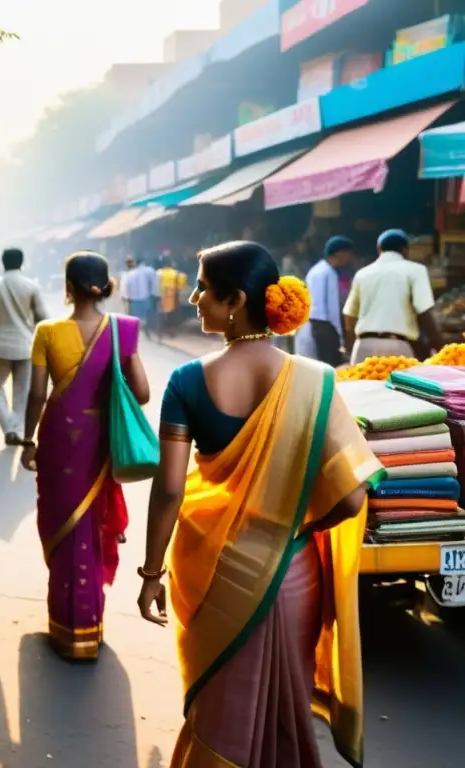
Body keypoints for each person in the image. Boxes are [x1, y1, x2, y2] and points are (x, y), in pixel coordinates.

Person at [140, 241, 380, 767]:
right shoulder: (315, 381)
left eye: (204, 287)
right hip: (294, 576)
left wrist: (151, 572)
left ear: (236, 300)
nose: (195, 297)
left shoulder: (185, 383)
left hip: (211, 569)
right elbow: (353, 495)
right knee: (281, 712)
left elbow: (171, 488)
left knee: (221, 714)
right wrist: (293, 527)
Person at [22, 251, 149, 660]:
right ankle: (90, 625)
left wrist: (27, 441)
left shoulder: (47, 332)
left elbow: (37, 394)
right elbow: (142, 394)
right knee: (90, 527)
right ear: (106, 286)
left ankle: (65, 627)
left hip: (59, 441)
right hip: (100, 445)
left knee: (61, 526)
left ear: (69, 287)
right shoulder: (123, 330)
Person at [343, 229, 443, 364]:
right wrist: (440, 349)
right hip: (398, 347)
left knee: (360, 384)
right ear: (405, 250)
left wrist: (351, 348)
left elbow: (349, 316)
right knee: (397, 386)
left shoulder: (362, 274)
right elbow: (424, 312)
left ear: (379, 249)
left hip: (363, 346)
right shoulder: (416, 270)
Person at [0, 247, 47, 445]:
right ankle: (14, 428)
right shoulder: (32, 287)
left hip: (0, 346)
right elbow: (43, 319)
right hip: (26, 346)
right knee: (22, 391)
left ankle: (9, 428)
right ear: (21, 262)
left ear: (3, 263)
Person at [295, 236, 353, 366]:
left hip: (314, 327)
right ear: (340, 253)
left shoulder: (319, 270)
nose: (350, 258)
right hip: (322, 328)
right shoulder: (327, 272)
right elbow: (326, 310)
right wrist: (339, 337)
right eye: (348, 253)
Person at [156, 258, 187, 336]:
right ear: (172, 266)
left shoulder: (159, 272)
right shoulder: (177, 273)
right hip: (173, 297)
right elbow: (182, 284)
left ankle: (161, 329)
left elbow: (156, 284)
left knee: (161, 313)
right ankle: (169, 328)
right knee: (170, 313)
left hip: (162, 296)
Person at [125, 258, 156, 331]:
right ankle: (146, 328)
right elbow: (154, 283)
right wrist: (153, 293)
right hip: (145, 297)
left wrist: (128, 296)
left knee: (136, 316)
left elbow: (128, 286)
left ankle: (137, 329)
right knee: (146, 314)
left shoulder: (131, 273)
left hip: (135, 298)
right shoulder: (150, 270)